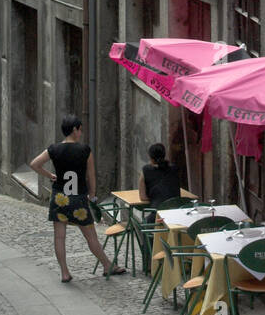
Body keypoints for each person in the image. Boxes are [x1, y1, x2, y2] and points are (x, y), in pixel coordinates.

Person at [30, 116, 125, 282]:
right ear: (74, 129)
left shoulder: (54, 149)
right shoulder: (84, 150)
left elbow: (34, 164)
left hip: (60, 197)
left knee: (59, 237)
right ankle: (107, 265)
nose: (81, 133)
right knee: (91, 237)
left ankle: (65, 273)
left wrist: (50, 175)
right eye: (80, 129)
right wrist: (92, 194)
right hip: (78, 199)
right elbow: (91, 175)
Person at [138, 143, 182, 219]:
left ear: (151, 158)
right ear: (164, 155)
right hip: (176, 213)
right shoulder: (175, 169)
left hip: (158, 215)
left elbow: (143, 197)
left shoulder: (146, 170)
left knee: (144, 223)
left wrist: (156, 197)